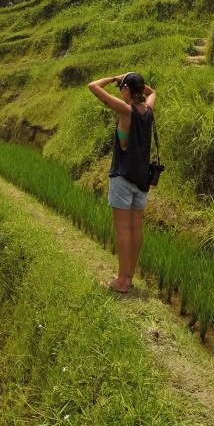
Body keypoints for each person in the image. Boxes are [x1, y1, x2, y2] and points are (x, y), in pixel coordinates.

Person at [87, 72, 157, 293]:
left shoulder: (125, 110)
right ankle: (128, 276)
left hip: (123, 178)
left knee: (123, 230)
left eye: (122, 89)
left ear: (127, 90)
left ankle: (121, 282)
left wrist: (113, 78)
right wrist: (134, 83)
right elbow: (152, 92)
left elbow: (93, 86)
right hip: (141, 180)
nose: (120, 92)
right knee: (136, 228)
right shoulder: (149, 111)